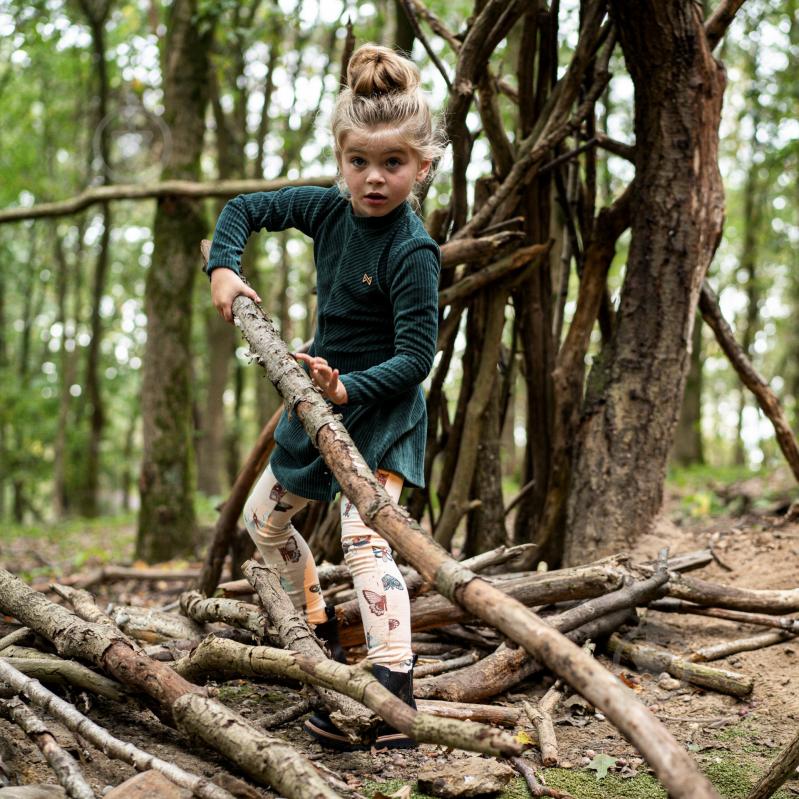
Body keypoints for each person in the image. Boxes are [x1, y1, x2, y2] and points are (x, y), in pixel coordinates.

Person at [206, 43, 445, 750]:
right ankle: (316, 638)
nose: (374, 178)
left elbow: (416, 358)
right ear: (341, 158)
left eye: (393, 163)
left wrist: (348, 386)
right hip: (316, 406)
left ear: (421, 165)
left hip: (379, 410)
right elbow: (244, 208)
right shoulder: (326, 211)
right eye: (359, 162)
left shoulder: (412, 251)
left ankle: (392, 691)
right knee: (265, 521)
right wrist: (224, 267)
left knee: (366, 541)